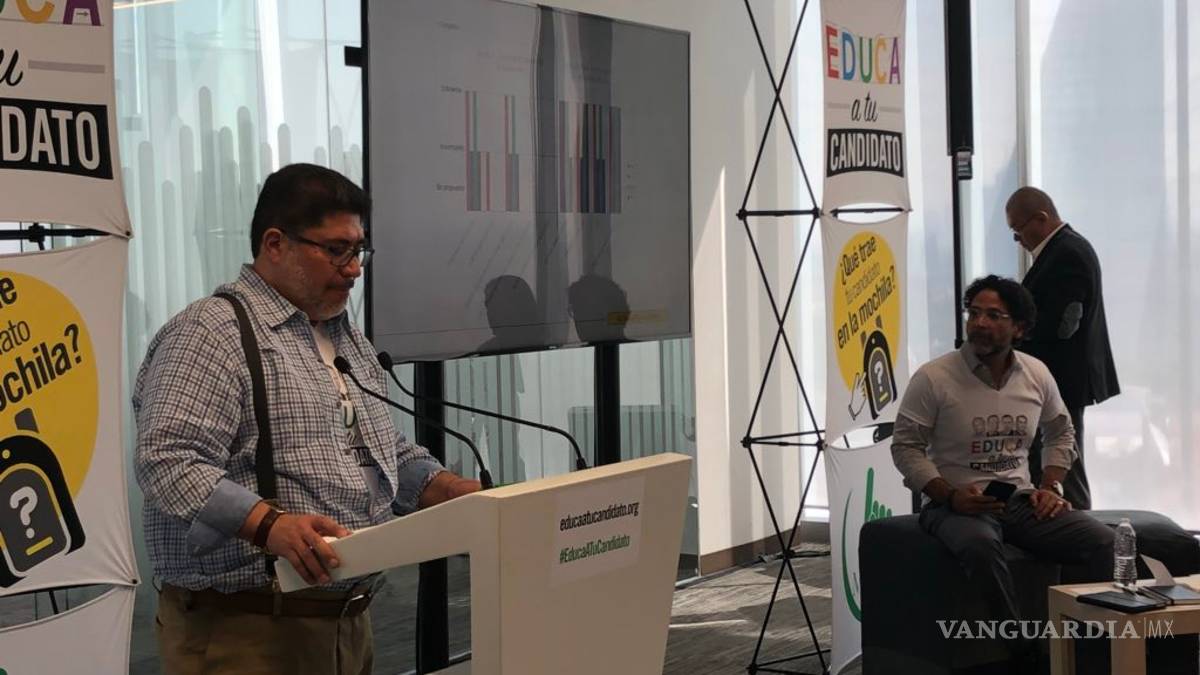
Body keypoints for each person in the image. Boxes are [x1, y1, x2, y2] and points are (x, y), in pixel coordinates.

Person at [133, 164, 482, 674]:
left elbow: (378, 450)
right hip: (247, 630)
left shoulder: (345, 337)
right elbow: (168, 460)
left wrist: (447, 489)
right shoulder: (211, 331)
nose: (353, 269)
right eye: (336, 249)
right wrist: (270, 525)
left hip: (346, 622)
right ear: (275, 244)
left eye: (359, 250)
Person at [891, 275, 1114, 667]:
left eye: (994, 316)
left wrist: (1051, 486)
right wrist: (948, 494)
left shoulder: (1036, 374)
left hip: (1019, 501)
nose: (980, 323)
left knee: (1102, 540)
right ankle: (1022, 653)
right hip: (953, 505)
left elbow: (1061, 431)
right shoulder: (933, 377)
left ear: (1019, 328)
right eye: (974, 313)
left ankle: (1088, 650)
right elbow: (905, 447)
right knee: (979, 546)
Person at [1006, 187, 1119, 510]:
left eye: (1018, 230)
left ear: (1040, 219)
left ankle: (1080, 529)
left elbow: (1062, 326)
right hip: (1059, 377)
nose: (1018, 240)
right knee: (1056, 462)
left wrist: (1013, 333)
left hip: (1061, 378)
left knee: (1064, 466)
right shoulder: (1065, 249)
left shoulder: (1067, 254)